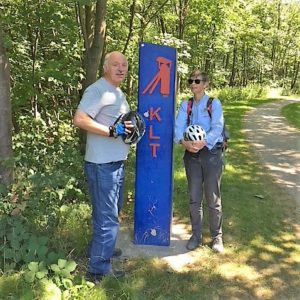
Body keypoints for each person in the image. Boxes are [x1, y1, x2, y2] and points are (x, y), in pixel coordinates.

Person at [73, 51, 133, 282]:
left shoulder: (118, 92)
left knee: (111, 213)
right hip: (102, 165)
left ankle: (103, 251)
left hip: (116, 162)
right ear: (105, 67)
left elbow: (119, 123)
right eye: (115, 64)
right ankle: (98, 270)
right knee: (106, 218)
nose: (121, 68)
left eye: (124, 65)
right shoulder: (97, 90)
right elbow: (80, 119)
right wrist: (110, 131)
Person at [174, 69, 224, 253]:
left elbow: (218, 126)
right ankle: (196, 236)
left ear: (205, 84)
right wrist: (183, 142)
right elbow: (178, 126)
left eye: (197, 81)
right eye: (191, 81)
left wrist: (204, 142)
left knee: (212, 198)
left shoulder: (214, 103)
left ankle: (217, 237)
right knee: (194, 198)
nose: (193, 84)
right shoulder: (185, 105)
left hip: (210, 153)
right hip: (191, 155)